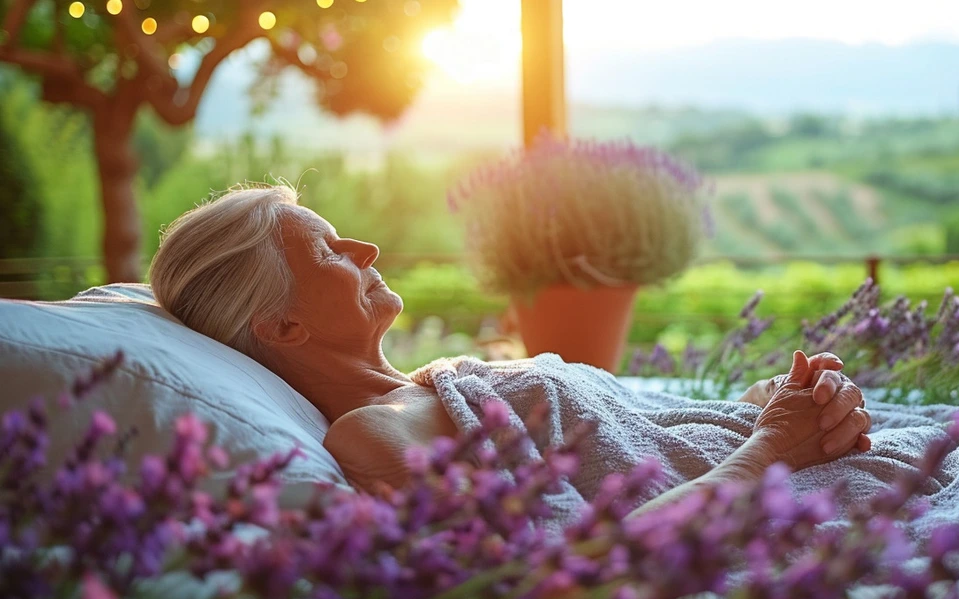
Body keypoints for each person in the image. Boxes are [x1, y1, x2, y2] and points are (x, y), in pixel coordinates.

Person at [149, 184, 872, 513]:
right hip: (787, 497)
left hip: (802, 466)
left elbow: (647, 430)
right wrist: (773, 448)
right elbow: (563, 584)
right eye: (328, 250)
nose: (365, 247)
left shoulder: (444, 379)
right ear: (281, 328)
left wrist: (778, 401)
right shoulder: (375, 434)